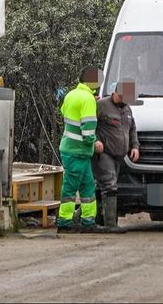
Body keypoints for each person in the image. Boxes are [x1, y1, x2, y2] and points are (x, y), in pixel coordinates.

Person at [57, 66, 102, 234]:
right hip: (79, 150)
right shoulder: (88, 99)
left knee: (87, 185)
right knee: (71, 186)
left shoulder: (71, 94)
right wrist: (93, 143)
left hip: (70, 148)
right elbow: (88, 128)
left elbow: (65, 112)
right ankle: (65, 221)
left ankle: (88, 221)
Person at [94, 79, 141, 233]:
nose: (123, 100)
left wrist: (135, 146)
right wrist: (95, 141)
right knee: (109, 185)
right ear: (114, 93)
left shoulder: (127, 109)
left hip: (119, 156)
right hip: (104, 153)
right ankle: (110, 224)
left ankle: (88, 218)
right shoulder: (101, 105)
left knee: (105, 186)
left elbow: (132, 128)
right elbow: (87, 124)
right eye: (120, 97)